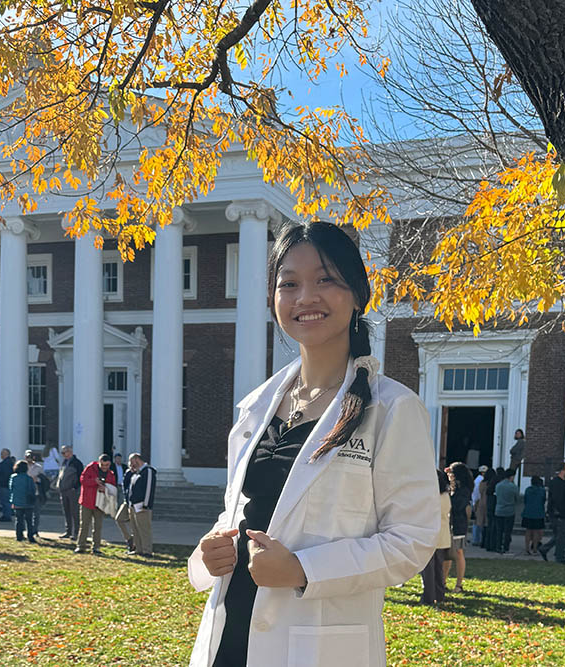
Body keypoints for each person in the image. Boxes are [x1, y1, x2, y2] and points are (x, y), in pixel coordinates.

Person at [187, 222, 440, 667]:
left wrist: (304, 570)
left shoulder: (393, 409)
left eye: (326, 279)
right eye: (289, 284)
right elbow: (242, 513)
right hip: (230, 637)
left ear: (357, 293)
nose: (305, 297)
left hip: (318, 646)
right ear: (274, 299)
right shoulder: (256, 407)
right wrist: (207, 552)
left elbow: (411, 542)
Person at [421, 469, 452, 605]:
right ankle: (439, 594)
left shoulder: (430, 497)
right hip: (442, 536)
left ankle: (428, 597)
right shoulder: (446, 496)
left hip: (430, 536)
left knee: (428, 569)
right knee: (438, 568)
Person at [76, 454, 116, 555]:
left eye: (106, 465)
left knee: (98, 527)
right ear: (99, 462)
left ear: (109, 464)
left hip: (100, 503)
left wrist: (105, 488)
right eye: (102, 465)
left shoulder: (110, 474)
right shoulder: (90, 468)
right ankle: (81, 546)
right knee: (84, 525)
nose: (104, 467)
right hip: (87, 501)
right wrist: (94, 481)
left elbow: (113, 488)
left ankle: (96, 548)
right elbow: (82, 480)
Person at [446, 463, 473, 592]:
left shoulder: (463, 491)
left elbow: (458, 507)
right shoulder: (451, 489)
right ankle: (443, 581)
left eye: (451, 472)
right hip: (449, 524)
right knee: (446, 554)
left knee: (458, 553)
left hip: (458, 525)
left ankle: (459, 584)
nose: (449, 475)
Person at [539, 463, 565, 563]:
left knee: (560, 535)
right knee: (561, 535)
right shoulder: (557, 483)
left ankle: (545, 549)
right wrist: (561, 511)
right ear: (562, 470)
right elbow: (558, 499)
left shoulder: (563, 482)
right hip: (560, 513)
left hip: (562, 513)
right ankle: (559, 557)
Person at [127, 453, 156, 556]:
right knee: (135, 528)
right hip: (133, 505)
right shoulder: (136, 472)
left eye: (131, 461)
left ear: (137, 459)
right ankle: (138, 549)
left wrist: (146, 505)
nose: (130, 464)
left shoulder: (148, 471)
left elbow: (149, 488)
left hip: (142, 506)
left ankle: (147, 550)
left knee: (144, 529)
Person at [56, 445, 84, 540]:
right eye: (62, 453)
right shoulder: (64, 462)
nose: (63, 455)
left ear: (70, 452)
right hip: (63, 491)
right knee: (66, 512)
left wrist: (74, 487)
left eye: (65, 452)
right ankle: (68, 531)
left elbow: (81, 477)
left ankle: (77, 533)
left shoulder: (77, 463)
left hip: (72, 491)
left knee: (74, 512)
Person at [9, 460, 38, 543]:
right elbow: (32, 489)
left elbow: (11, 488)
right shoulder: (29, 478)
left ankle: (19, 536)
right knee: (29, 520)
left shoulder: (13, 477)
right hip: (28, 502)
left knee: (18, 520)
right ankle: (30, 536)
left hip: (17, 501)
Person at [493, 468, 518, 554]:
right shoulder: (513, 487)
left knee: (499, 530)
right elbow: (516, 498)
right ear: (511, 476)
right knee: (508, 531)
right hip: (509, 510)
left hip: (499, 509)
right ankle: (506, 546)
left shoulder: (498, 485)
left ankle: (498, 546)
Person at [521, 475, 547, 555]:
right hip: (538, 513)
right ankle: (535, 549)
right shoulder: (542, 491)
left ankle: (526, 548)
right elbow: (543, 501)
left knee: (528, 531)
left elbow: (525, 500)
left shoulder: (528, 490)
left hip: (528, 513)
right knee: (536, 532)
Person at [0, 449, 16, 522]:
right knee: (7, 501)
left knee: (5, 501)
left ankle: (7, 516)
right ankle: (7, 514)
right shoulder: (11, 463)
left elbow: (0, 474)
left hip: (4, 485)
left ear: (6, 454)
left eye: (2, 454)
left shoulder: (4, 464)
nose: (1, 455)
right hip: (9, 485)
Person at [473, 467, 494, 549]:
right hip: (488, 503)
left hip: (481, 503)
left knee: (479, 522)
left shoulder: (481, 482)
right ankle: (483, 540)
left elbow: (477, 493)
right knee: (486, 523)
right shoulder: (490, 483)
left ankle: (477, 540)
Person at [469, 464, 487, 546]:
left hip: (476, 501)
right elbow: (477, 493)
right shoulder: (481, 480)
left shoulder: (477, 480)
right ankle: (476, 539)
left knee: (477, 521)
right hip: (478, 502)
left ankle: (476, 538)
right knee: (478, 521)